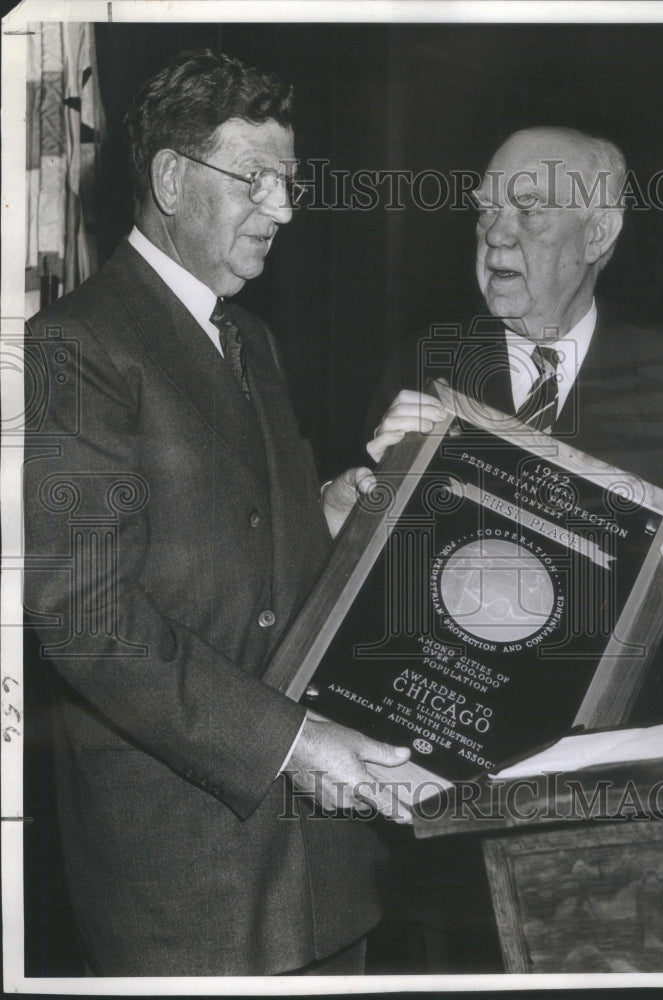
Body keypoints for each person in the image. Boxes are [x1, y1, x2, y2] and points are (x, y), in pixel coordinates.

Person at [23, 49, 413, 977]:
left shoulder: (251, 338)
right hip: (188, 881)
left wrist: (329, 514)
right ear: (170, 179)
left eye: (290, 183)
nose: (285, 209)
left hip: (320, 872)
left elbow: (237, 540)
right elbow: (87, 619)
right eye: (257, 181)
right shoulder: (71, 347)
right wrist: (295, 741)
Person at [365, 126, 663, 971]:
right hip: (449, 843)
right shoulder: (423, 369)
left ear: (599, 234)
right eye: (484, 211)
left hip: (619, 848)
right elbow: (366, 608)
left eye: (529, 211)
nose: (496, 236)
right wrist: (371, 501)